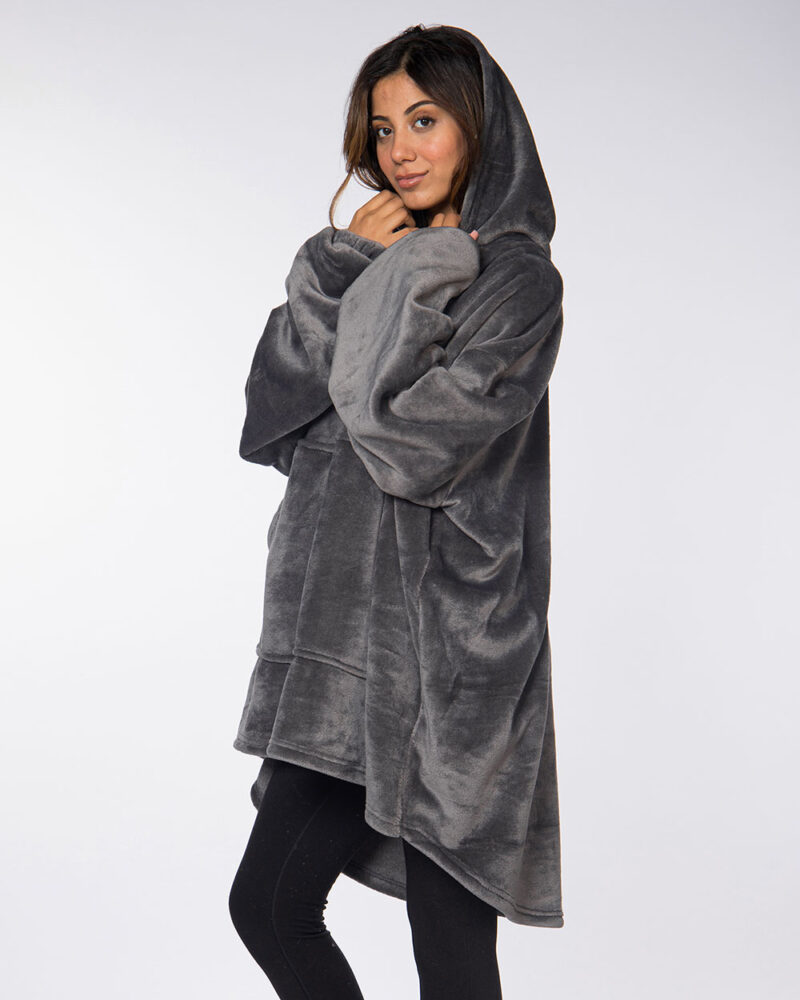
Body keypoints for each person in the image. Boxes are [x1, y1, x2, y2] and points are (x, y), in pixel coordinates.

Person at [228, 22, 565, 1000]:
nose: (400, 150)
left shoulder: (517, 282)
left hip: (448, 659)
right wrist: (340, 267)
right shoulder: (362, 260)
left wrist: (398, 278)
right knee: (271, 905)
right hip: (338, 645)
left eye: (424, 120)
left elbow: (410, 443)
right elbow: (271, 418)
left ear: (479, 126)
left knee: (449, 959)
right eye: (382, 129)